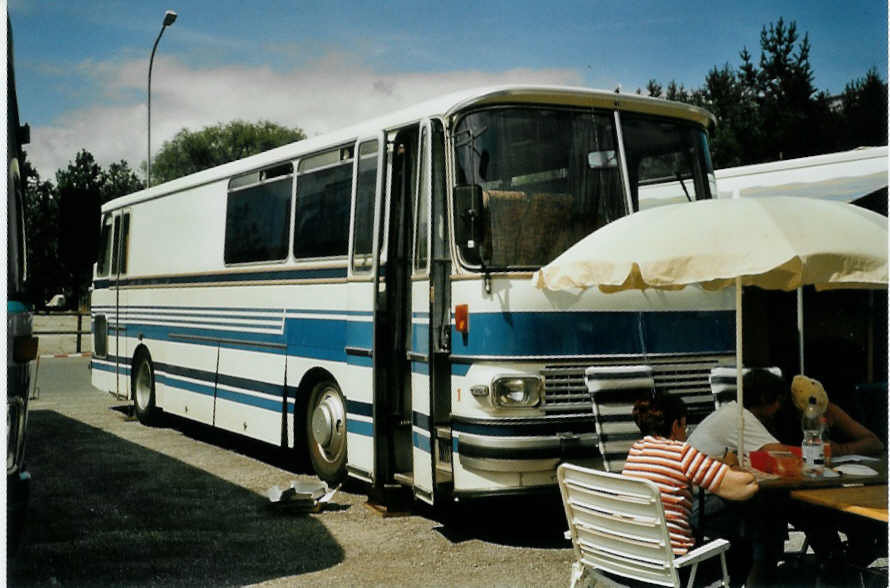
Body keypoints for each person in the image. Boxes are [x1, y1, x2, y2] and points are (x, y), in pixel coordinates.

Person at [618, 392, 758, 587]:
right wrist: (732, 465)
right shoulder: (681, 453)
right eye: (685, 426)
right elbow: (745, 488)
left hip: (631, 562)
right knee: (742, 550)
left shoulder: (636, 450)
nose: (686, 433)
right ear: (676, 425)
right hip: (671, 568)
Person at [686, 368, 795, 586]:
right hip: (701, 505)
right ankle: (761, 576)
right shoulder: (741, 418)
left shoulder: (730, 412)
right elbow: (780, 454)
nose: (779, 409)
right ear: (765, 398)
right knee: (771, 513)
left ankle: (752, 574)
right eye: (778, 402)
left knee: (768, 510)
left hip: (697, 499)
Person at [788, 374, 884, 457]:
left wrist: (840, 450)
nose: (818, 420)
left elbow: (875, 443)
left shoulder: (831, 411)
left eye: (820, 414)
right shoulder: (786, 419)